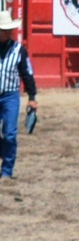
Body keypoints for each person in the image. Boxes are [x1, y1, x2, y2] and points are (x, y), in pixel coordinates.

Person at [0, 9, 38, 181]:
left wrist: (32, 97)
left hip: (10, 96)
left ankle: (7, 170)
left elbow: (27, 74)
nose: (7, 33)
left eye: (8, 30)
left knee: (9, 134)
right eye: (4, 30)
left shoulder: (19, 51)